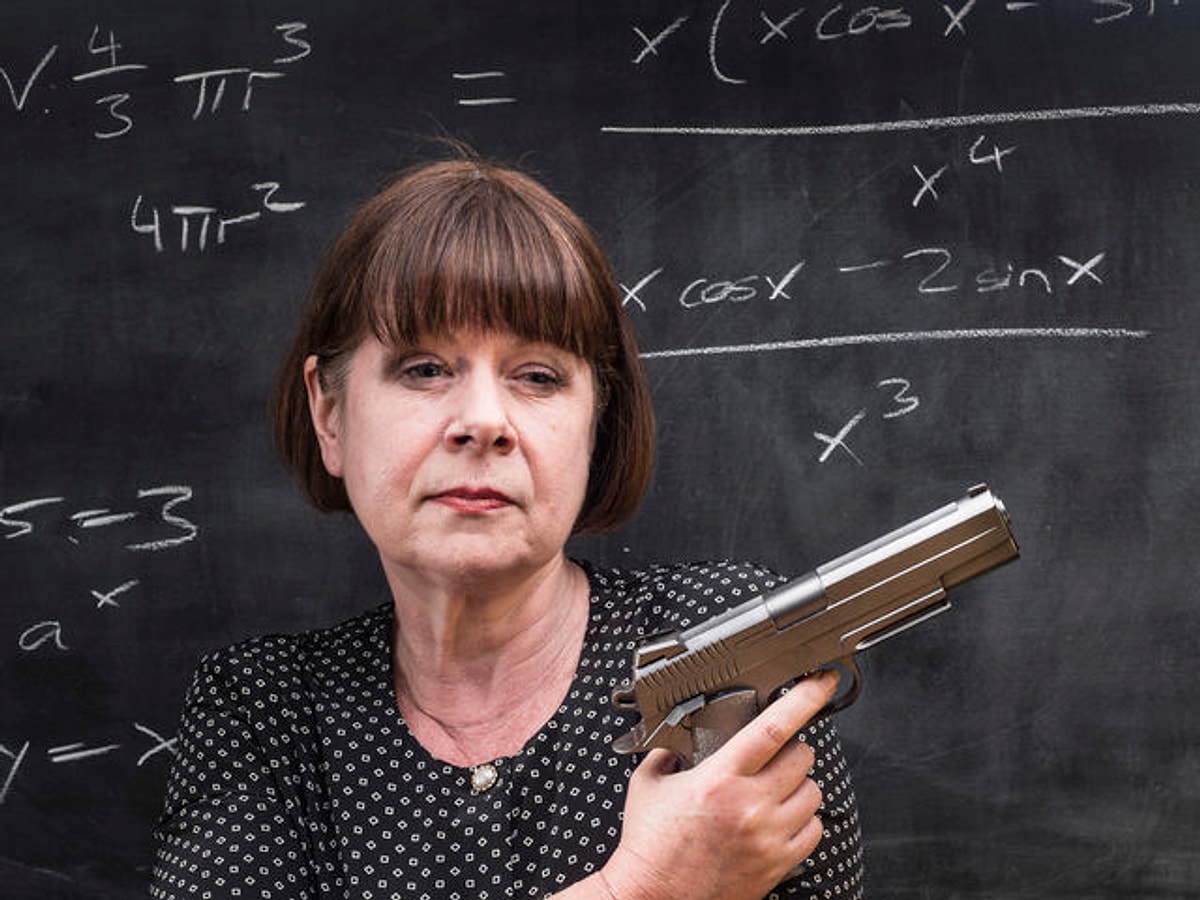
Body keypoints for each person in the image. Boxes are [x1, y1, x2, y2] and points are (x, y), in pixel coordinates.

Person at [150, 152, 865, 900]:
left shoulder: (723, 642)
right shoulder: (262, 707)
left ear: (596, 424)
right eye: (425, 368)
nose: (484, 421)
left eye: (538, 377)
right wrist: (644, 888)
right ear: (329, 414)